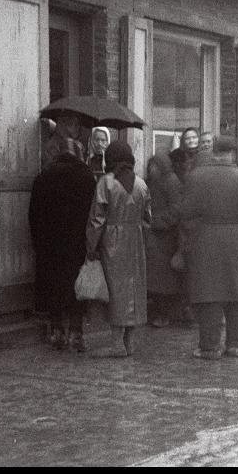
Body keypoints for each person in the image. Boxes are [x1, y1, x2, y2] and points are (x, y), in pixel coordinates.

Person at [179, 136, 238, 359]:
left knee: (209, 293)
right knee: (236, 293)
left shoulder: (195, 176)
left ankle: (210, 346)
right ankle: (236, 344)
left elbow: (185, 212)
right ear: (233, 153)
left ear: (214, 151)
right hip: (236, 239)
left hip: (205, 239)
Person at [29, 137, 96, 351]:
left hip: (50, 243)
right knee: (76, 287)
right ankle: (76, 333)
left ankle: (57, 331)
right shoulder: (87, 177)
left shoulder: (43, 177)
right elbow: (93, 214)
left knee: (54, 286)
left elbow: (34, 215)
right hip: (77, 243)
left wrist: (38, 241)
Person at [86, 141, 151, 357]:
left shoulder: (106, 182)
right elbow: (147, 216)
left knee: (116, 290)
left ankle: (116, 343)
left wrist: (91, 245)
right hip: (136, 239)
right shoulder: (141, 183)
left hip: (113, 240)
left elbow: (97, 219)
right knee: (135, 288)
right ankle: (130, 342)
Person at [145, 153, 183, 328]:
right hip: (155, 236)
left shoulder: (171, 181)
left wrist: (157, 222)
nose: (151, 169)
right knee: (156, 279)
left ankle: (165, 313)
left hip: (166, 238)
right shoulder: (152, 182)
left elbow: (176, 209)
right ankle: (160, 312)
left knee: (165, 280)